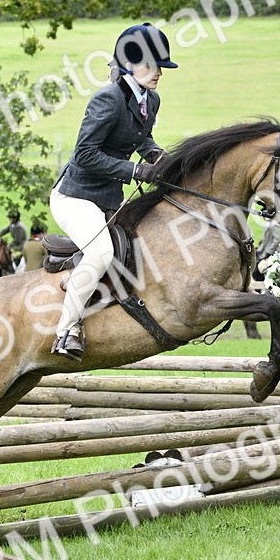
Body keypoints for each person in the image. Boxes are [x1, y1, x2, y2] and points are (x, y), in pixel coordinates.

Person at [49, 22, 175, 360]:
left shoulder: (152, 98)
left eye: (161, 66)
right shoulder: (107, 99)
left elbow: (141, 139)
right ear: (129, 66)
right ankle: (66, 330)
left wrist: (159, 158)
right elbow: (85, 154)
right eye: (150, 65)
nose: (158, 72)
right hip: (75, 197)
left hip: (108, 199)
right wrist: (135, 170)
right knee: (102, 252)